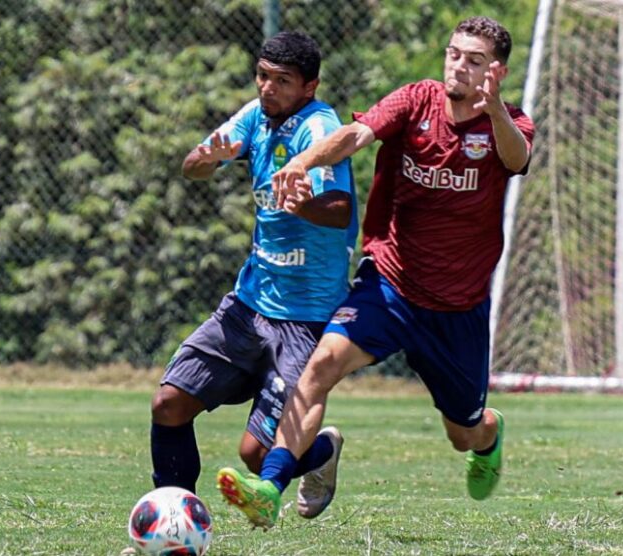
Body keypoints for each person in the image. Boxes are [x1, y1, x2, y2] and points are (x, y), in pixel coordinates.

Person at [215, 16, 535, 528]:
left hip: (456, 307)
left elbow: (516, 159)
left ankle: (489, 435)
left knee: (463, 433)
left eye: (474, 61)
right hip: (388, 285)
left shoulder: (509, 122)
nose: (459, 66)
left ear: (495, 70)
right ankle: (270, 486)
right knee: (320, 368)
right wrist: (302, 162)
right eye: (455, 54)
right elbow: (355, 135)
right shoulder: (414, 100)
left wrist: (493, 106)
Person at [149, 31, 357, 523]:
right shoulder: (256, 116)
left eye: (282, 81)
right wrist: (205, 160)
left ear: (309, 87)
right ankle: (177, 518)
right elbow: (193, 166)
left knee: (256, 457)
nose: (267, 88)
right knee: (168, 405)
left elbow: (340, 209)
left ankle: (320, 453)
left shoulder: (319, 127)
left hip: (304, 321)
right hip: (247, 306)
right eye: (263, 76)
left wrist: (301, 201)